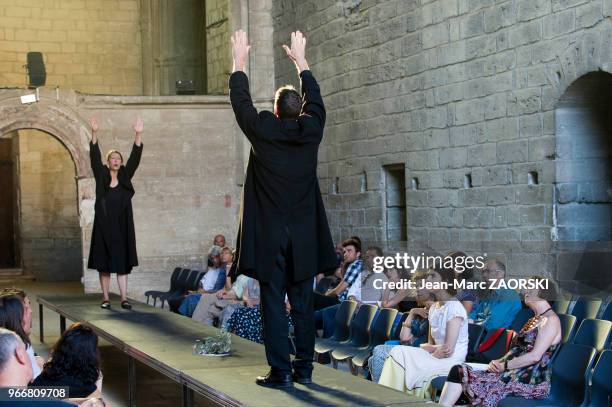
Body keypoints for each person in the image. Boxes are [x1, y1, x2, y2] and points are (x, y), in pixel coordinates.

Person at [229, 29, 337, 388]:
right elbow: (317, 101)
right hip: (304, 238)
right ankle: (304, 368)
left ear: (275, 112)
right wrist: (302, 62)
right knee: (303, 306)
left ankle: (281, 371)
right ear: (300, 111)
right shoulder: (311, 131)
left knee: (273, 305)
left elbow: (241, 103)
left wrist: (239, 62)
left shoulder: (264, 130)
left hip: (271, 238)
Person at [439, 277, 562, 407]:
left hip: (527, 378)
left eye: (530, 286)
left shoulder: (550, 320)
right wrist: (499, 362)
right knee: (458, 372)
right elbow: (517, 351)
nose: (524, 290)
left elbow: (535, 356)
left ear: (543, 291)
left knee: (466, 378)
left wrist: (505, 365)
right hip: (511, 371)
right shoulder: (533, 319)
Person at [378, 267, 469, 395]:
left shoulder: (454, 307)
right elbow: (430, 343)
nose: (428, 280)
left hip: (451, 361)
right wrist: (427, 348)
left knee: (400, 357)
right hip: (434, 354)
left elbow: (448, 350)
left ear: (446, 280)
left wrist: (425, 348)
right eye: (428, 276)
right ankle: (388, 397)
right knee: (397, 351)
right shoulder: (434, 309)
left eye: (433, 276)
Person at [88, 116, 144, 310]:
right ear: (108, 161)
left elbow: (135, 159)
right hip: (104, 227)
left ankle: (123, 298)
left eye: (119, 159)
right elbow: (94, 156)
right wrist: (94, 132)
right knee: (104, 265)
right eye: (113, 158)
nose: (116, 161)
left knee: (121, 264)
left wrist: (138, 134)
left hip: (121, 228)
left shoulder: (125, 176)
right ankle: (105, 298)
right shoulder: (101, 174)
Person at [369, 270, 432, 382]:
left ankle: (378, 389)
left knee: (379, 351)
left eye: (421, 286)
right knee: (373, 357)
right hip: (409, 335)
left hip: (419, 350)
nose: (417, 289)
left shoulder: (435, 310)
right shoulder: (418, 308)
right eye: (416, 286)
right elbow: (404, 339)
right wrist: (412, 312)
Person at [32, 323, 103, 399]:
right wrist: (99, 380)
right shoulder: (87, 388)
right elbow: (97, 401)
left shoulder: (46, 377)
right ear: (91, 354)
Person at [0, 290, 42, 379]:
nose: (31, 311)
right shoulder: (16, 351)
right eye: (26, 308)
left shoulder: (21, 342)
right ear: (15, 317)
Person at [469, 259, 522, 331]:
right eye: (483, 272)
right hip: (482, 333)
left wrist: (474, 323)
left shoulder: (508, 295)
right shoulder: (491, 293)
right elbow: (478, 313)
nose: (484, 275)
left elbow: (493, 324)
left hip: (495, 338)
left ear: (500, 274)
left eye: (488, 271)